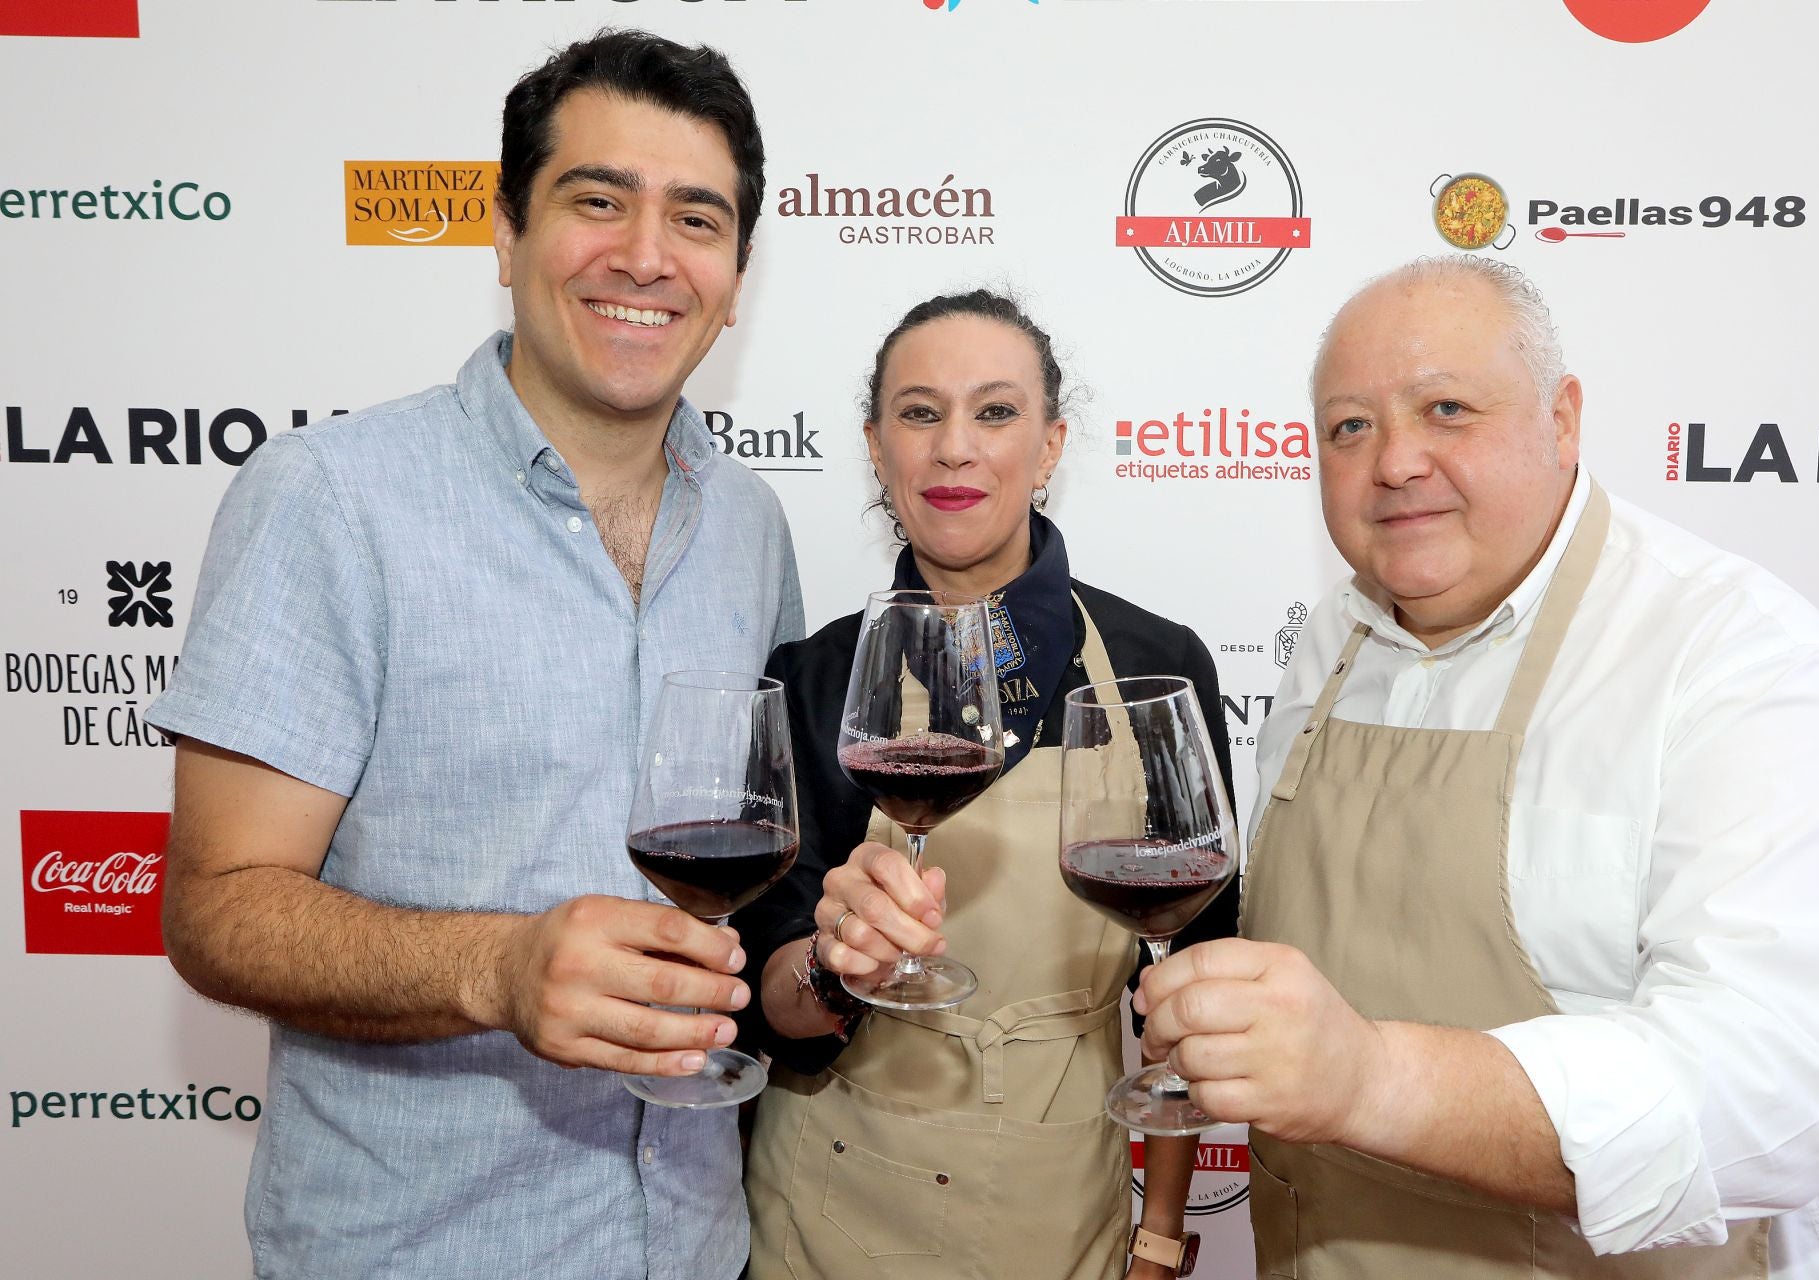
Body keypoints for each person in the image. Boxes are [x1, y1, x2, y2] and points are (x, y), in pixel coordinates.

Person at [148, 30, 801, 1280]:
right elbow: (215, 905)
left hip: (702, 1244)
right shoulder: (330, 498)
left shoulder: (752, 526)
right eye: (596, 200)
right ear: (503, 232)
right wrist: (494, 967)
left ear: (735, 275)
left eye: (696, 220)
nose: (647, 256)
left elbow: (752, 861)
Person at [1134, 255, 1819, 1278]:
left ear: (1563, 419)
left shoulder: (1737, 656)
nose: (1396, 461)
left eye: (1447, 407)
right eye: (1349, 427)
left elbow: (1778, 1090)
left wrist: (1371, 1079)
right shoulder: (1331, 636)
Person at [737, 290, 1237, 1280]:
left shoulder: (1153, 665)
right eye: (920, 414)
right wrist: (836, 965)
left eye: (995, 412)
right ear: (878, 448)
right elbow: (773, 1003)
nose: (955, 448)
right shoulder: (817, 677)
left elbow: (1195, 985)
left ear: (1051, 445)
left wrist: (1163, 1231)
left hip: (1064, 1225)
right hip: (831, 1217)